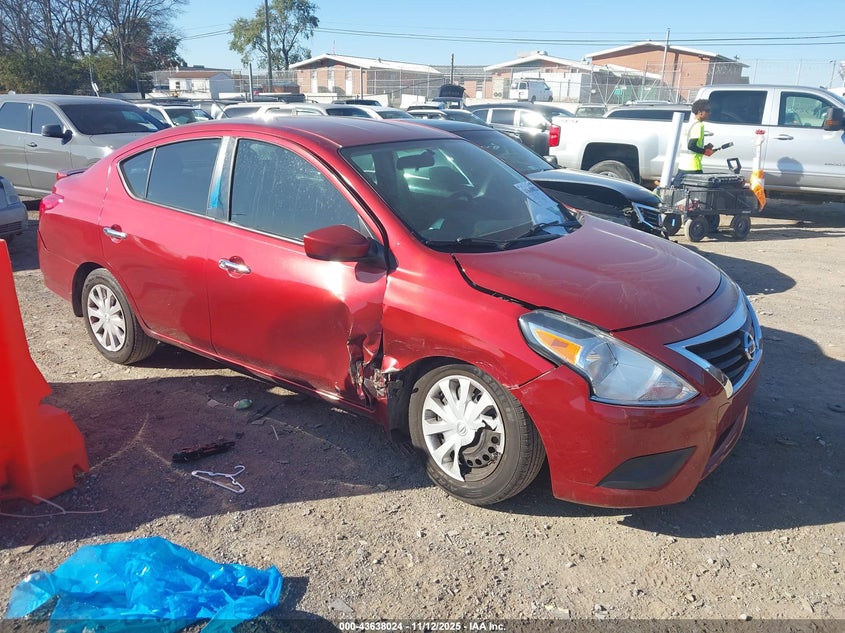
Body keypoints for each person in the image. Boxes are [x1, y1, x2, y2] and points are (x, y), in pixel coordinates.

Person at [674, 99, 714, 185]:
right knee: (697, 195)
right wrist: (705, 151)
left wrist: (704, 148)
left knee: (679, 192)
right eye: (707, 110)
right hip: (694, 167)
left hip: (683, 166)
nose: (709, 113)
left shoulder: (690, 124)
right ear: (700, 112)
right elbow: (691, 145)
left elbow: (690, 145)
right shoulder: (699, 125)